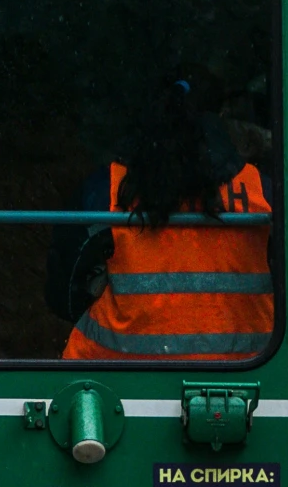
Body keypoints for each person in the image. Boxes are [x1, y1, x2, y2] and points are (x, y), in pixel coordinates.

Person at [63, 78, 273, 363]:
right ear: (218, 124)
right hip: (248, 376)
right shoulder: (262, 188)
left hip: (108, 378)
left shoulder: (106, 189)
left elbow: (61, 288)